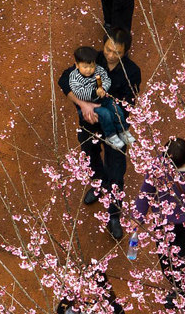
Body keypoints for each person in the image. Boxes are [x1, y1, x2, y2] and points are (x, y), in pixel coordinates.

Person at [58, 28, 141, 240]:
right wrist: (83, 104)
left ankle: (114, 214)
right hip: (89, 125)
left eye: (117, 52)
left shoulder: (132, 71)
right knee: (90, 158)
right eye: (108, 50)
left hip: (114, 127)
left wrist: (105, 111)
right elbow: (64, 79)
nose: (111, 55)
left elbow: (129, 104)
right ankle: (98, 184)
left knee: (116, 171)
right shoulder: (93, 60)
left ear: (126, 52)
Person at [133, 137, 185, 303]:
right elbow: (147, 189)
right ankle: (176, 286)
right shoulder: (160, 163)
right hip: (163, 222)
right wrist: (138, 216)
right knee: (167, 263)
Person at [67, 45, 136, 149]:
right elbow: (79, 92)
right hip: (89, 105)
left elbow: (107, 79)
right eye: (85, 67)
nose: (89, 70)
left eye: (92, 66)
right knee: (106, 114)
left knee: (116, 109)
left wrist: (103, 88)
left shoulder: (98, 70)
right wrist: (94, 93)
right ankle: (111, 136)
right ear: (77, 65)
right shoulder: (74, 77)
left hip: (102, 99)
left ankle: (123, 131)